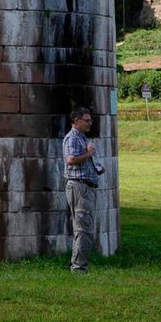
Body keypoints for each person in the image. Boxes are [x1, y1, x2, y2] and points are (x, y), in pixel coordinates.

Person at [62, 106, 101, 272]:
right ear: (76, 121)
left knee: (85, 228)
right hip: (80, 187)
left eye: (90, 120)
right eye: (86, 120)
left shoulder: (81, 138)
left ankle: (80, 266)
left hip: (86, 187)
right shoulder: (72, 138)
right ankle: (78, 268)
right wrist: (89, 154)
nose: (90, 123)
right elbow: (70, 160)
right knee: (83, 229)